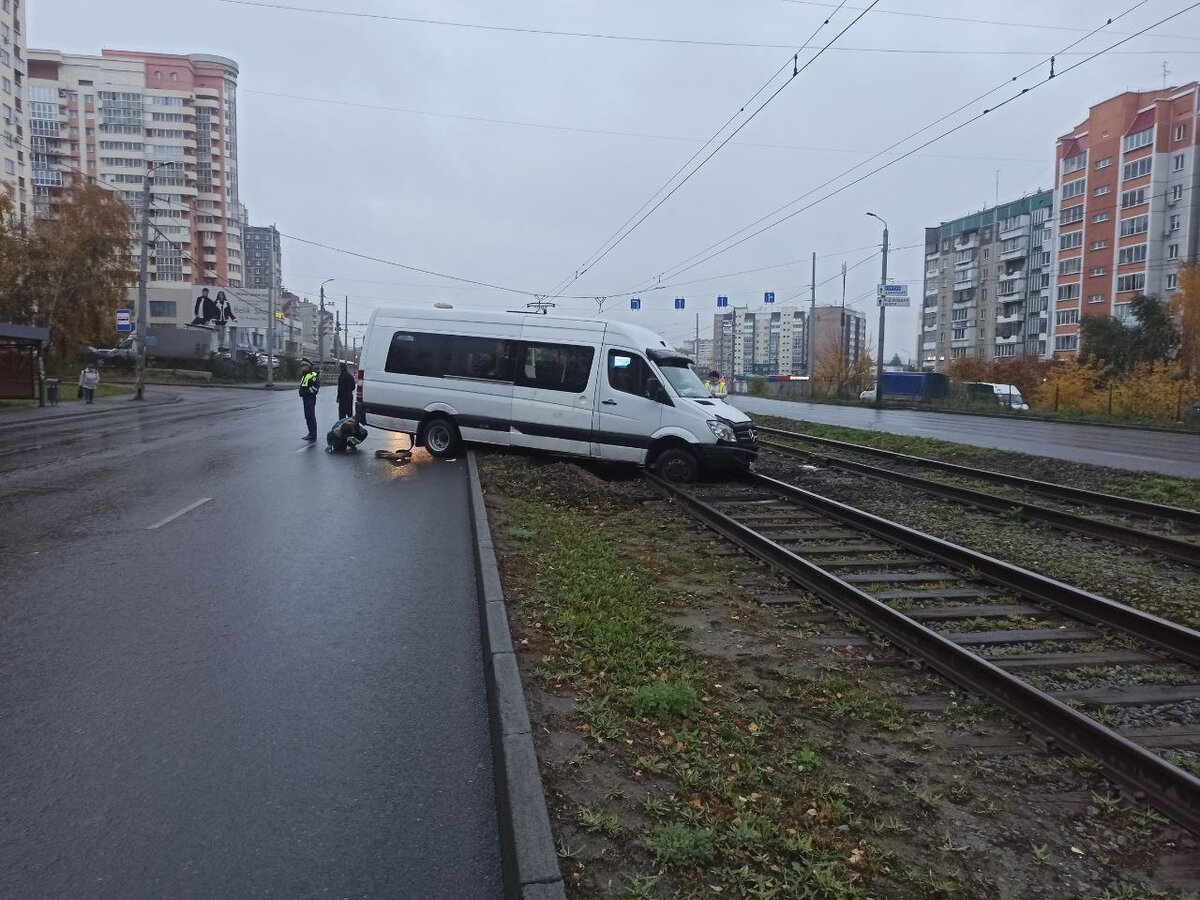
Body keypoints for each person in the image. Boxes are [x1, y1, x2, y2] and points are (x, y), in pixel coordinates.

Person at [298, 358, 320, 441]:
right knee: (307, 416)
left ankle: (313, 434)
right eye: (301, 366)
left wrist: (305, 392)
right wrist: (302, 392)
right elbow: (303, 387)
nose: (302, 368)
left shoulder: (313, 375)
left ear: (308, 366)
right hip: (305, 398)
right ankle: (310, 433)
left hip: (310, 399)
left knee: (311, 416)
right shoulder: (305, 375)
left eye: (304, 366)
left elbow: (315, 389)